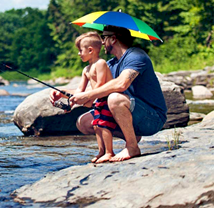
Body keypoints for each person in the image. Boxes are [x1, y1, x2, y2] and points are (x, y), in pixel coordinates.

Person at [70, 25, 168, 162]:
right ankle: (131, 136)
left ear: (113, 39)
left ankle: (132, 146)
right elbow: (96, 89)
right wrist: (63, 94)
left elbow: (122, 84)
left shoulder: (136, 55)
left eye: (104, 38)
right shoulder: (111, 64)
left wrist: (88, 96)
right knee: (84, 122)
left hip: (152, 118)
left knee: (114, 98)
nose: (102, 42)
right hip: (132, 112)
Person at [50, 31, 117, 164]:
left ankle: (109, 152)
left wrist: (90, 99)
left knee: (104, 125)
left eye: (80, 50)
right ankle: (101, 151)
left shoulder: (101, 63)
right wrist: (70, 104)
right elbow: (80, 90)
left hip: (106, 99)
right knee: (97, 126)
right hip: (97, 100)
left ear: (90, 50)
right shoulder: (86, 70)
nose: (79, 54)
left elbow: (100, 84)